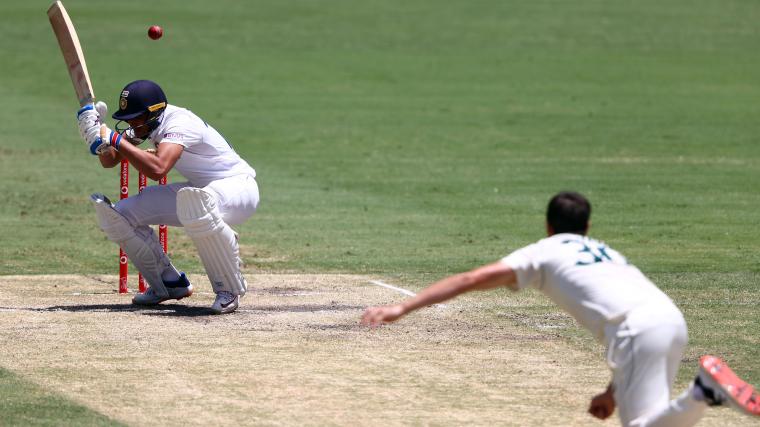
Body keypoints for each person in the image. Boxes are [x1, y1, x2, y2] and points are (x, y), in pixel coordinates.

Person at [361, 191, 759, 426]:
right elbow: (623, 311)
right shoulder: (606, 251)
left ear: (549, 226)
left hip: (636, 330)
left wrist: (403, 307)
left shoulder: (544, 252)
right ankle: (702, 393)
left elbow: (470, 279)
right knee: (654, 417)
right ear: (587, 227)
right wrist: (612, 391)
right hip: (669, 320)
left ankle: (703, 392)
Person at [76, 79, 259, 314]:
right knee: (119, 215)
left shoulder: (179, 123)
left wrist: (115, 139)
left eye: (136, 119)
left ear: (155, 113)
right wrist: (99, 140)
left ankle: (229, 290)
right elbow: (111, 160)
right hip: (201, 190)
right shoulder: (146, 124)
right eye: (128, 119)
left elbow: (158, 169)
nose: (131, 124)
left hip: (238, 188)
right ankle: (169, 283)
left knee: (197, 204)